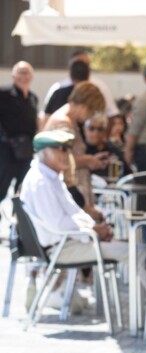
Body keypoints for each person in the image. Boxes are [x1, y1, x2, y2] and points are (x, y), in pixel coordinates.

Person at [20, 130, 128, 267]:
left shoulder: (52, 177)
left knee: (136, 250)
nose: (68, 155)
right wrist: (93, 230)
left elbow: (75, 212)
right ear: (45, 153)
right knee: (135, 253)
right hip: (62, 248)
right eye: (61, 149)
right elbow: (59, 223)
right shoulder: (40, 181)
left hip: (71, 242)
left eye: (68, 149)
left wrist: (94, 227)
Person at [44, 82, 107, 219]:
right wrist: (88, 161)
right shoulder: (63, 123)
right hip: (72, 194)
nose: (91, 116)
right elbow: (60, 161)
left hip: (74, 192)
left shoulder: (66, 119)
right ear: (85, 106)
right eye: (92, 111)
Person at [42, 50, 118, 120]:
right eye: (76, 65)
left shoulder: (100, 88)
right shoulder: (58, 88)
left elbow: (112, 114)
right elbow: (45, 116)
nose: (79, 68)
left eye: (84, 65)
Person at [0, 61, 38, 200]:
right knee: (1, 189)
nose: (24, 76)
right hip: (6, 150)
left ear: (32, 76)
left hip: (26, 151)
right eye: (21, 72)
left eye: (27, 72)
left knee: (24, 189)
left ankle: (19, 220)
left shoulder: (33, 98)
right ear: (13, 75)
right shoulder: (3, 94)